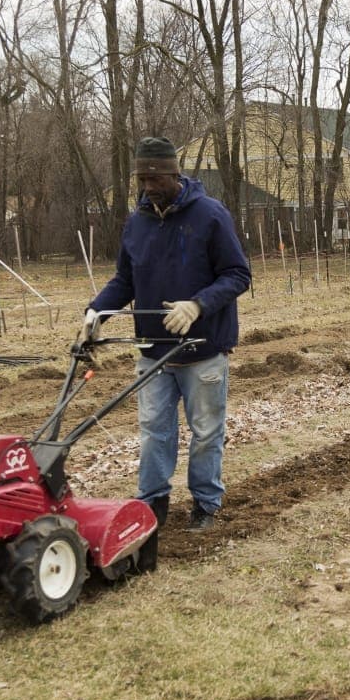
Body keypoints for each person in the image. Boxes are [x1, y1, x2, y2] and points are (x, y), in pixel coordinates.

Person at [85, 136, 251, 533]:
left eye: (156, 179)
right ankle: (152, 505)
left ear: (175, 175)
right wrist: (96, 311)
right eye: (142, 180)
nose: (149, 188)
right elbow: (126, 279)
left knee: (207, 433)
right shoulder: (137, 222)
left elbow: (238, 274)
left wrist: (197, 305)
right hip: (152, 352)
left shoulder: (210, 216)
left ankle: (205, 504)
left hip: (203, 349)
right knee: (154, 432)